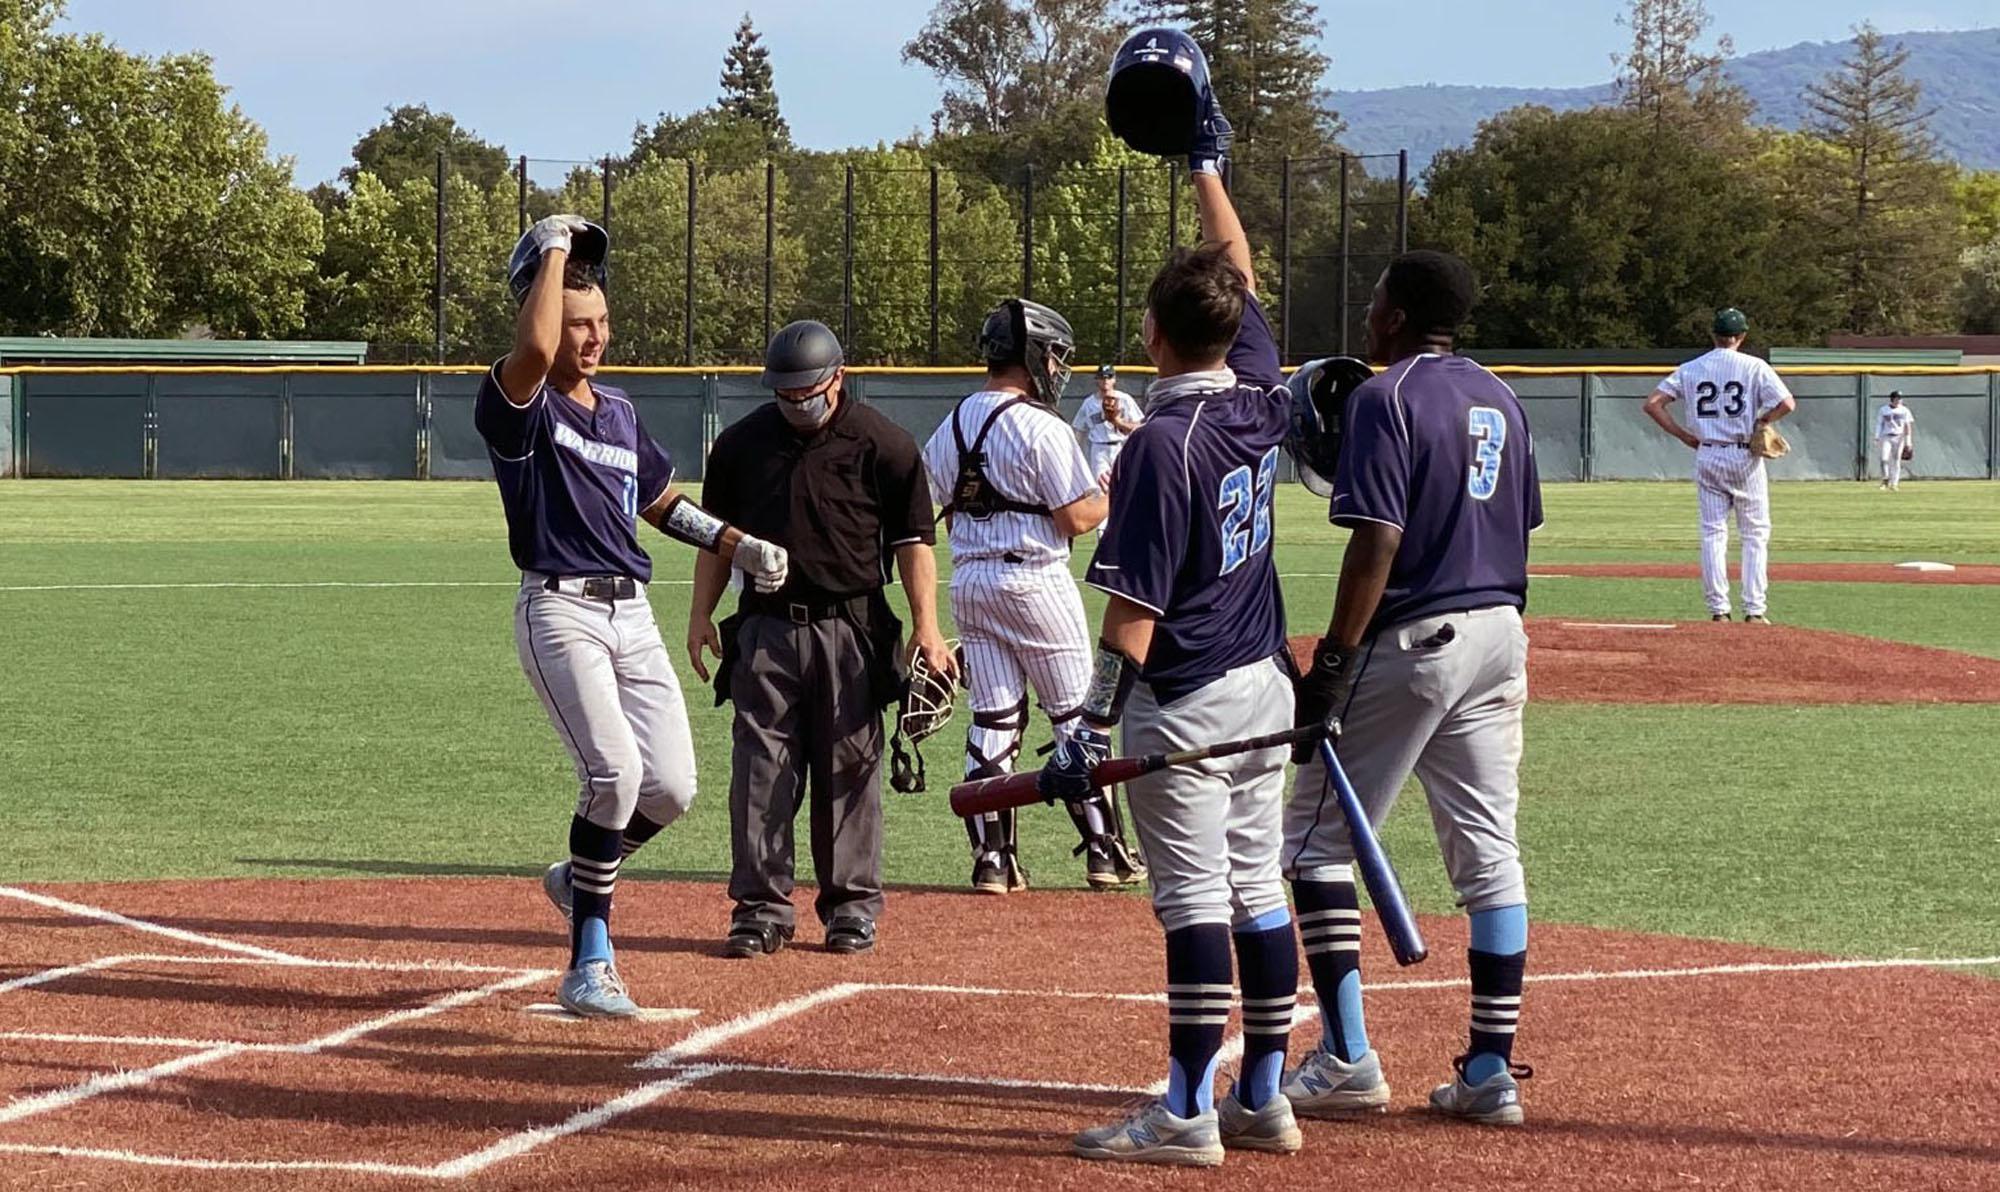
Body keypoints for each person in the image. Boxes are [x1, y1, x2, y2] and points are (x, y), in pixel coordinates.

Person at [1041, 92, 1302, 1167]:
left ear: (1153, 334)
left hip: (1185, 699)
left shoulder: (1159, 442)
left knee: (1194, 903)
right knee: (1257, 892)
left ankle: (1188, 1110)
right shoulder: (1260, 397)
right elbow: (1232, 271)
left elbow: (1133, 610)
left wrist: (1083, 729)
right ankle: (1266, 1096)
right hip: (1262, 687)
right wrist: (1207, 165)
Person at [477, 215, 788, 1018]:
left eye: (602, 322)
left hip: (631, 613)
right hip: (560, 610)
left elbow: (658, 502)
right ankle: (590, 961)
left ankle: (574, 877)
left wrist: (738, 543)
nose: (594, 337)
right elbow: (537, 352)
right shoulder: (519, 404)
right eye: (579, 323)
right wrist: (551, 248)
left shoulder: (616, 412)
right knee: (612, 775)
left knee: (673, 787)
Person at [1282, 251, 1544, 1127]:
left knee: (1314, 838)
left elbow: (1375, 543)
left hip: (1414, 634)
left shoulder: (1382, 397)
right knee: (1489, 851)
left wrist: (1331, 666)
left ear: (1395, 318)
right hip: (1501, 631)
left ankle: (1347, 1056)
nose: (1368, 314)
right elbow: (1519, 522)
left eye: (1375, 302)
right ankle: (1489, 1072)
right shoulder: (1501, 394)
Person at [691, 319, 953, 959]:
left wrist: (927, 626)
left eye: (805, 389)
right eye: (784, 392)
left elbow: (914, 542)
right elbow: (715, 540)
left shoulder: (883, 444)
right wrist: (701, 615)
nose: (795, 401)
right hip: (766, 627)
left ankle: (851, 909)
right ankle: (760, 909)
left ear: (837, 377)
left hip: (852, 627)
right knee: (760, 772)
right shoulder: (740, 445)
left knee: (848, 771)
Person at [922, 298, 1144, 895]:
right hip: (1036, 579)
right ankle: (1105, 850)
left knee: (994, 717)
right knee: (1076, 714)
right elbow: (1075, 517)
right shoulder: (1042, 427)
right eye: (1053, 355)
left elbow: (933, 509)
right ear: (1031, 356)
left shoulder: (952, 423)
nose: (1058, 366)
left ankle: (993, 860)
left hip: (971, 578)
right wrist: (1113, 494)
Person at [1641, 309, 1797, 624]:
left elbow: (1653, 403)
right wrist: (1764, 420)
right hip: (1743, 456)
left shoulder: (1690, 368)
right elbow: (1787, 403)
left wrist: (1683, 435)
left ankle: (1718, 610)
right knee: (1754, 533)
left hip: (1708, 453)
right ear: (1742, 336)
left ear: (1713, 335)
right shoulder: (1755, 366)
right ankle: (1754, 610)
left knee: (1713, 532)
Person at [1072, 364, 1146, 492]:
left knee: (1125, 486)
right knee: (1102, 489)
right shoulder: (1089, 403)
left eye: (1109, 377)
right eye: (1102, 377)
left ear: (1114, 379)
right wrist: (1073, 455)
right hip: (1099, 449)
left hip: (1121, 446)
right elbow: (1079, 430)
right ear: (1097, 380)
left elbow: (1139, 426)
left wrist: (1118, 422)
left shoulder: (1125, 399)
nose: (1105, 380)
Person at [1875, 390, 1916, 490]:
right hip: (1887, 436)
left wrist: (1908, 442)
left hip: (1899, 437)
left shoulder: (1905, 410)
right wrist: (1877, 436)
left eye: (1900, 398)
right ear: (1892, 399)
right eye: (1897, 398)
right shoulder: (1883, 410)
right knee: (1884, 459)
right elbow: (1879, 424)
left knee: (1896, 460)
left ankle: (1894, 483)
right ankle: (1885, 480)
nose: (1899, 400)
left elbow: (1907, 426)